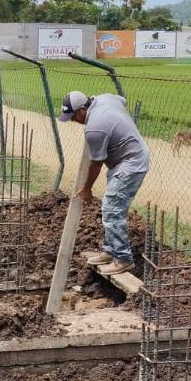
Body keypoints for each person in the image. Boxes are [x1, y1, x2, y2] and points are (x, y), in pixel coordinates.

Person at [58, 90, 150, 276]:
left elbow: (97, 163)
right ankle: (110, 251)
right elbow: (122, 100)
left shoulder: (94, 129)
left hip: (131, 163)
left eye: (74, 115)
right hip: (123, 160)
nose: (74, 120)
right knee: (111, 207)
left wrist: (87, 189)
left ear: (83, 109)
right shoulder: (105, 98)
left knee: (112, 209)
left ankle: (123, 259)